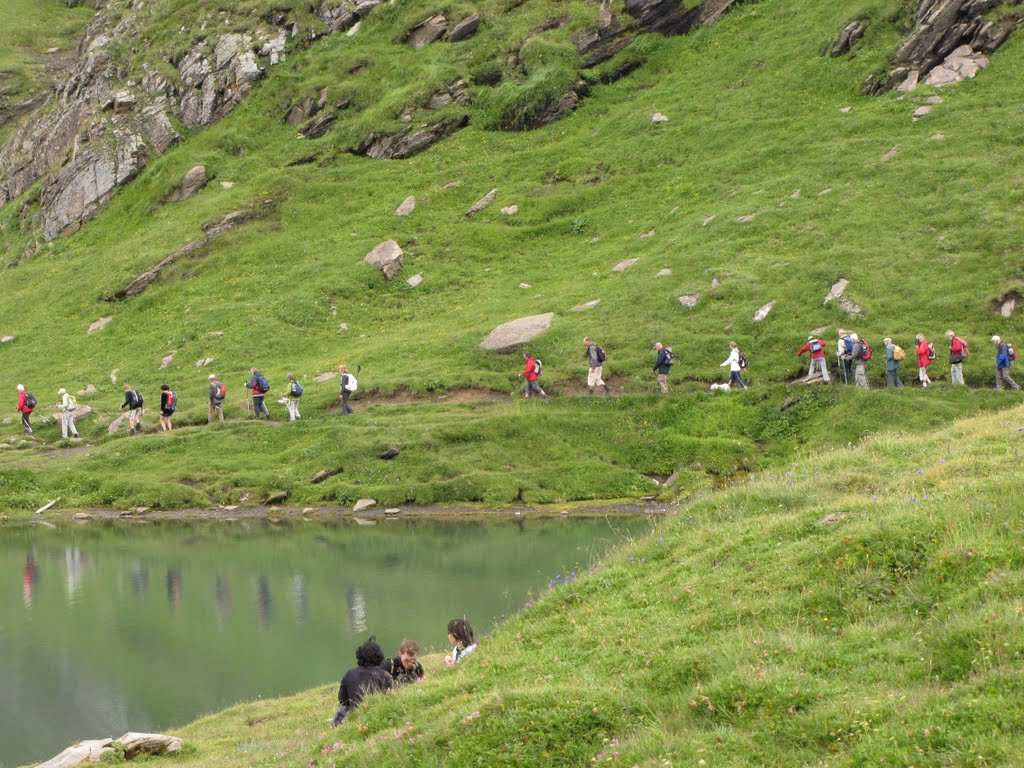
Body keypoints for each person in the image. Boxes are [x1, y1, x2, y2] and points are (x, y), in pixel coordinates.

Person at [331, 637, 394, 726]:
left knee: (341, 710)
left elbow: (342, 700)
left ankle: (336, 724)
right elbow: (391, 698)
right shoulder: (385, 676)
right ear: (379, 656)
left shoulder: (349, 674)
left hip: (356, 715)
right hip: (379, 714)